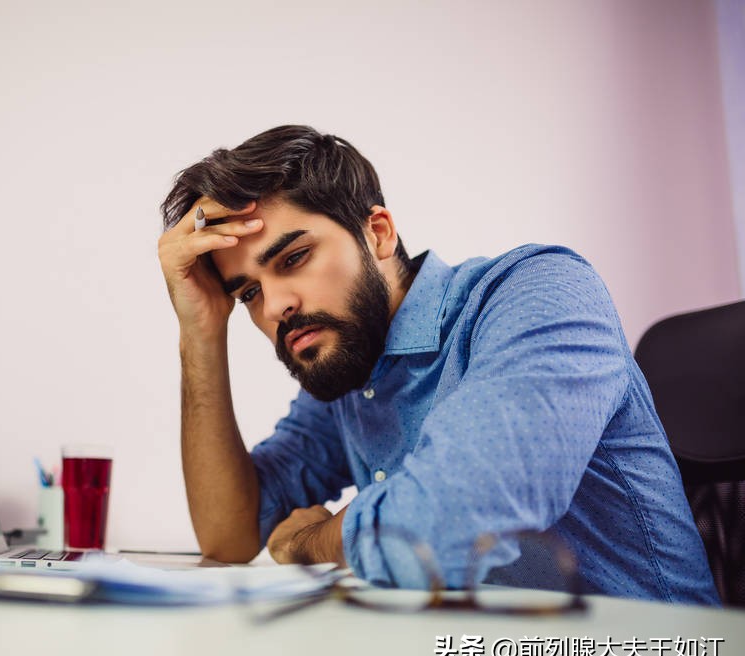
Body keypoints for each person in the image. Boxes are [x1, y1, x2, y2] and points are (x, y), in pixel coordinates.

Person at [156, 124, 718, 604]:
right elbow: (229, 535)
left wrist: (313, 541)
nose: (275, 305)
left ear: (377, 233)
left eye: (295, 257)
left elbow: (453, 521)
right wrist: (200, 332)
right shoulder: (348, 369)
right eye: (248, 292)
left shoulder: (538, 292)